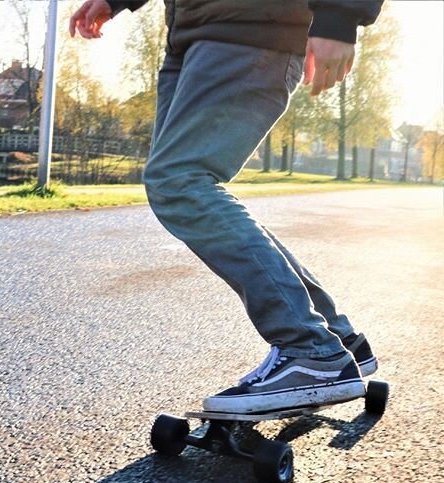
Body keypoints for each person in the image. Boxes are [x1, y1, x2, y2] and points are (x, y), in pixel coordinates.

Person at [70, 0, 382, 413]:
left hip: (252, 26)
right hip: (192, 33)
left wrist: (340, 17)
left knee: (180, 182)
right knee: (183, 181)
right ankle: (337, 341)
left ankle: (313, 351)